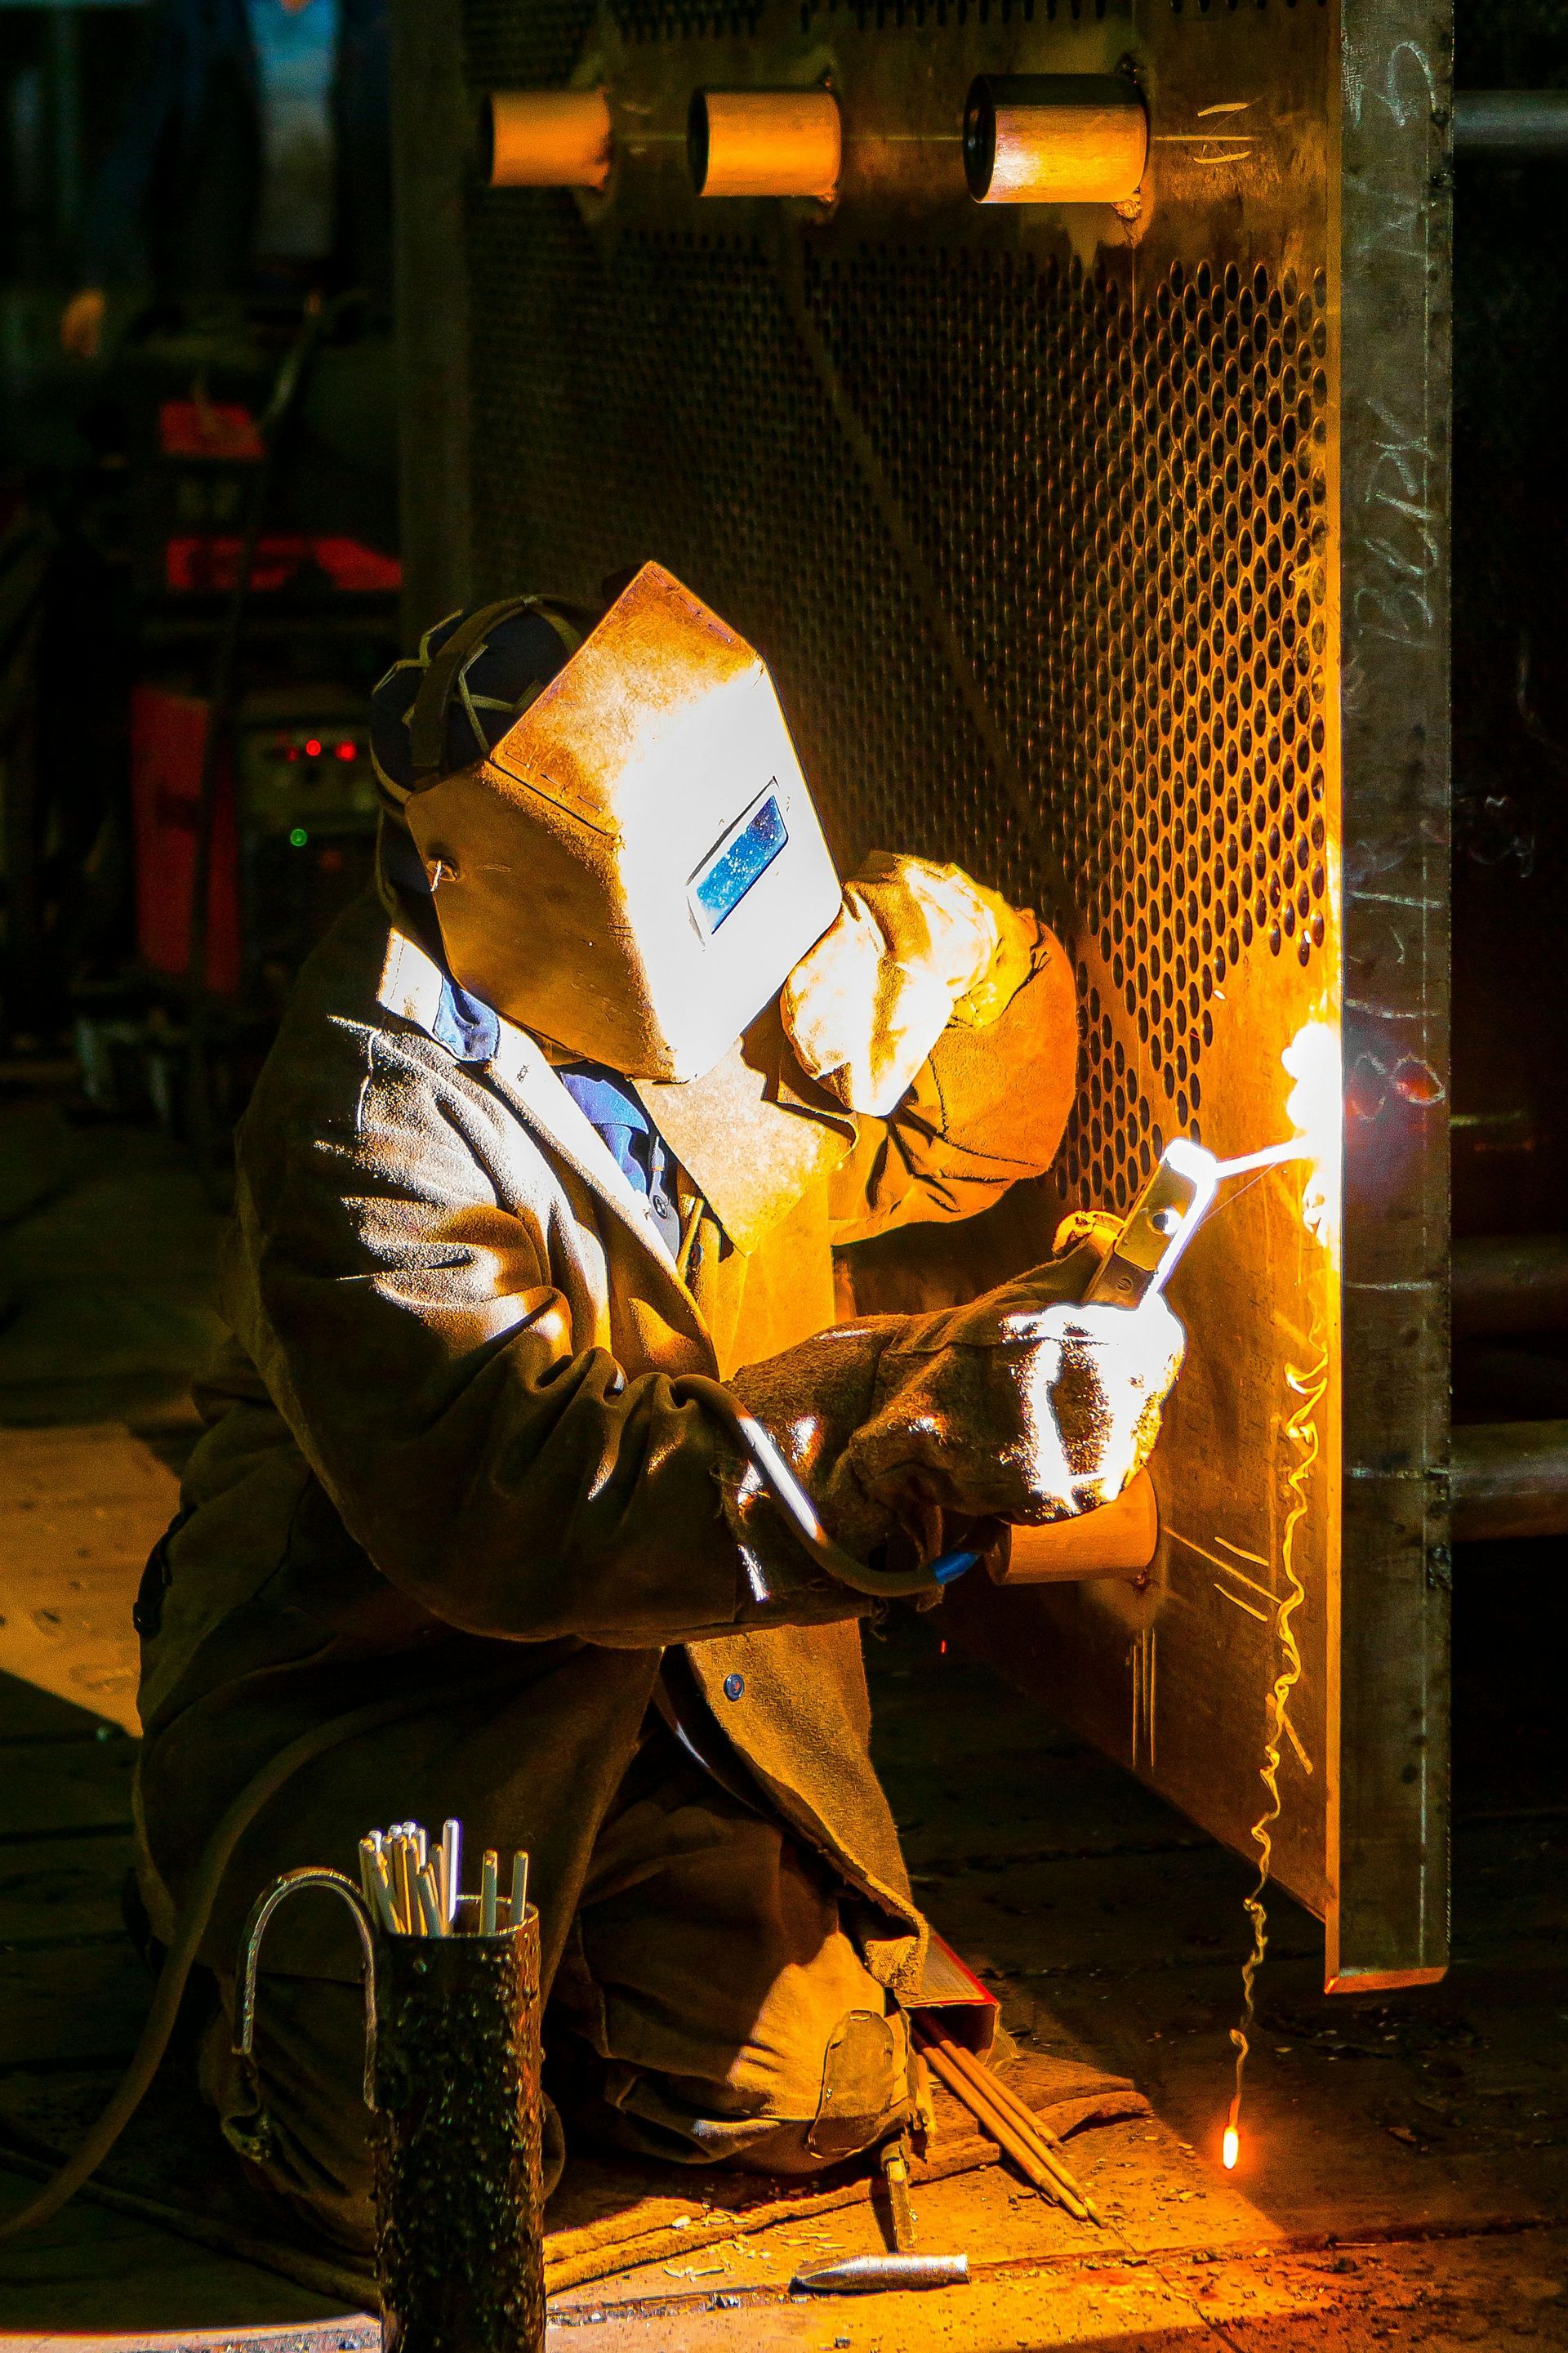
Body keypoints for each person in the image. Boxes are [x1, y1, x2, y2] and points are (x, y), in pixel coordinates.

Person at [131, 564, 1185, 2258]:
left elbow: (979, 1133)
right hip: (406, 1697)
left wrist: (955, 960)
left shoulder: (706, 921)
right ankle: (234, 1911)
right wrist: (908, 1432)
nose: (762, 985)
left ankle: (610, 1920)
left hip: (690, 1680)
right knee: (407, 2176)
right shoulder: (362, 1133)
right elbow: (534, 1500)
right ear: (515, 903)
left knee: (814, 2097)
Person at [60, 0, 390, 361]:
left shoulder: (372, 18)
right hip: (221, 292)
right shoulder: (198, 20)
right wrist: (98, 277)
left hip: (346, 294)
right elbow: (138, 146)